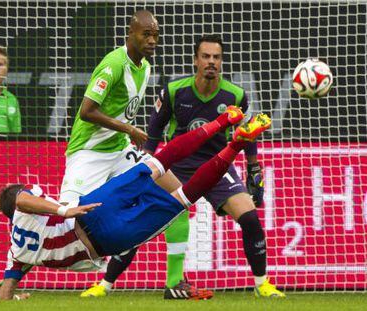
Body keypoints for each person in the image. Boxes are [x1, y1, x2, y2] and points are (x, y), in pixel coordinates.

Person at [0, 106, 272, 300]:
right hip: (90, 210)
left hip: (107, 239)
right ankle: (223, 122)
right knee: (159, 162)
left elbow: (5, 289)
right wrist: (64, 209)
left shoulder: (16, 253)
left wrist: (11, 296)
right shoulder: (21, 209)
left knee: (183, 197)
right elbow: (22, 200)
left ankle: (235, 143)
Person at [88, 35, 285, 299]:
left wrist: (254, 169)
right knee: (140, 220)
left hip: (218, 165)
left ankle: (262, 284)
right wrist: (143, 170)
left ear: (221, 62)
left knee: (249, 217)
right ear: (196, 60)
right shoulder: (174, 91)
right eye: (206, 56)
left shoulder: (235, 95)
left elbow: (247, 132)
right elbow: (154, 133)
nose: (211, 62)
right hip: (176, 166)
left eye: (216, 57)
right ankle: (106, 284)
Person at [59, 9, 201, 297]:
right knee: (61, 219)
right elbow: (86, 111)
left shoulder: (146, 67)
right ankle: (13, 275)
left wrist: (127, 134)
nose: (152, 40)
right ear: (131, 33)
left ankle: (174, 283)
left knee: (178, 196)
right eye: (145, 34)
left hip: (120, 151)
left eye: (155, 35)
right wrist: (129, 129)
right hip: (87, 153)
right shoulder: (113, 64)